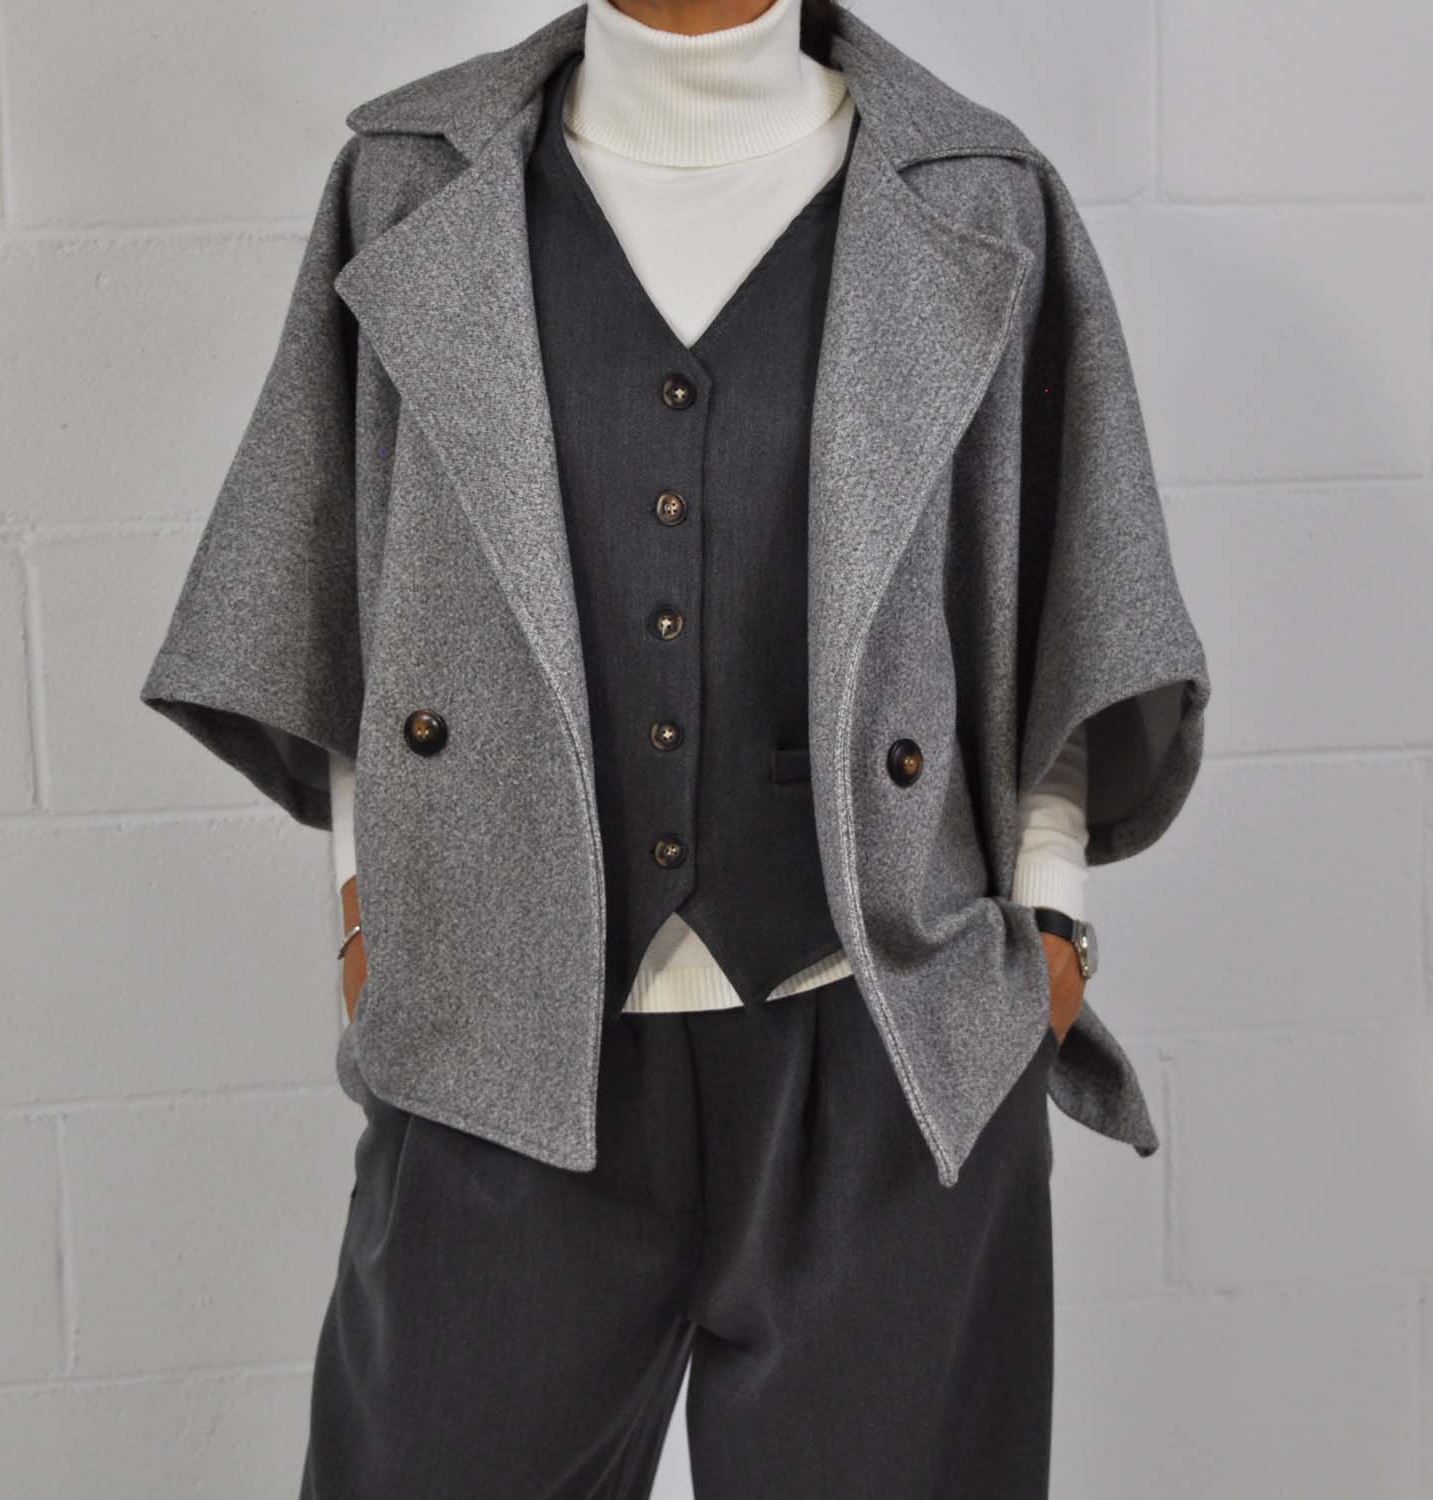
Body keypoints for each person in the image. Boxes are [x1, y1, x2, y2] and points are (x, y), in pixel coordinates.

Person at [139, 1, 1211, 1494]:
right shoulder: (412, 182)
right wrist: (369, 913)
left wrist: (1051, 924)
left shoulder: (978, 194)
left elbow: (1065, 592)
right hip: (499, 1040)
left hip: (883, 1047)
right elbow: (348, 592)